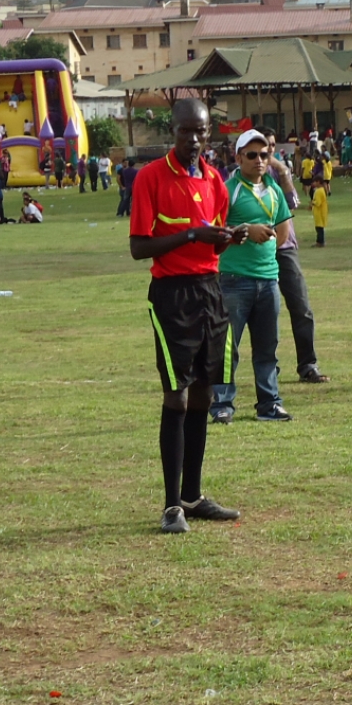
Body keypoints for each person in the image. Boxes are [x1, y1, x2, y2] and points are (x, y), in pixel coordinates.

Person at [130, 98, 245, 534]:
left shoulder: (216, 180)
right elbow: (139, 247)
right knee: (176, 395)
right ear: (172, 130)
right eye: (185, 131)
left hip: (209, 292)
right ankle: (170, 505)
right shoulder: (150, 178)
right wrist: (191, 233)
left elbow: (211, 248)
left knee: (204, 395)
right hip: (171, 295)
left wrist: (225, 239)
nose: (194, 140)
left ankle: (193, 496)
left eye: (200, 132)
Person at [209, 128, 293, 426]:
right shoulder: (227, 189)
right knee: (227, 347)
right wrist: (245, 230)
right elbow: (215, 231)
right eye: (252, 155)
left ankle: (269, 404)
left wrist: (266, 244)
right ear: (239, 157)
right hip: (233, 280)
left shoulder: (273, 190)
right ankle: (221, 404)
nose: (259, 160)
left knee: (267, 347)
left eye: (264, 155)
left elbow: (283, 231)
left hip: (268, 279)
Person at [262, 128, 328, 383]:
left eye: (270, 145)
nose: (266, 152)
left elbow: (292, 203)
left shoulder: (279, 172)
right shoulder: (242, 177)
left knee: (301, 307)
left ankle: (308, 364)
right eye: (261, 146)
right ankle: (267, 370)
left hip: (284, 248)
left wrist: (283, 171)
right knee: (265, 314)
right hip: (257, 251)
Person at [310, 172, 327, 247]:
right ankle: (320, 241)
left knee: (319, 227)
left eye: (315, 181)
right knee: (319, 227)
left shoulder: (318, 191)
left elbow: (318, 202)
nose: (313, 183)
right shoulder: (321, 190)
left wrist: (312, 203)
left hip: (319, 212)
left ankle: (320, 242)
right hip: (320, 211)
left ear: (318, 182)